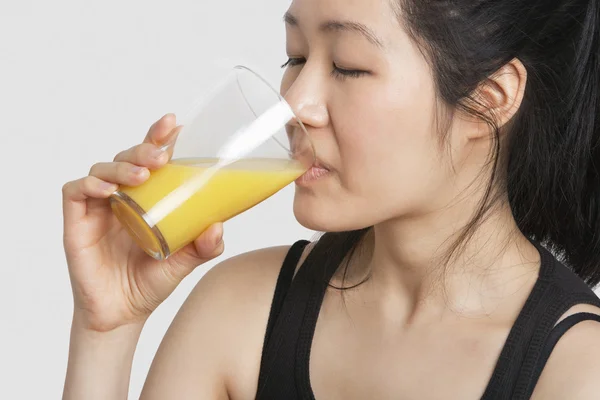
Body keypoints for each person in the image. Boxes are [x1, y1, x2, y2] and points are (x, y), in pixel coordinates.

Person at [61, 0, 600, 398]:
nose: (295, 103)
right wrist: (106, 327)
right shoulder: (240, 310)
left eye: (347, 65)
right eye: (295, 57)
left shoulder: (578, 370)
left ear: (490, 98)